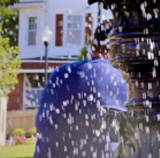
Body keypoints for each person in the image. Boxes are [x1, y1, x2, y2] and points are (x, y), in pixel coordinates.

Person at [34, 20, 128, 158]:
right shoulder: (123, 78)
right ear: (119, 46)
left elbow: (42, 125)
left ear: (92, 46)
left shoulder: (60, 75)